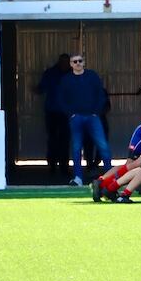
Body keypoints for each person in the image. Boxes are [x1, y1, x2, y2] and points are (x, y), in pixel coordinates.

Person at [58, 53, 111, 186]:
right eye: (74, 62)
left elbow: (101, 94)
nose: (77, 64)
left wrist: (96, 112)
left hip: (93, 117)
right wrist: (70, 114)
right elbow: (61, 99)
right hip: (76, 118)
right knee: (76, 148)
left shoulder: (92, 76)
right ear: (70, 64)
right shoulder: (66, 80)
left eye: (80, 61)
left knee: (103, 145)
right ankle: (78, 178)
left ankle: (110, 177)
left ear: (84, 62)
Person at [36, 54, 71, 177]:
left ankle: (63, 166)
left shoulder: (72, 74)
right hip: (53, 111)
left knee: (64, 140)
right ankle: (52, 165)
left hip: (66, 113)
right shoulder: (51, 73)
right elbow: (41, 88)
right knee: (53, 139)